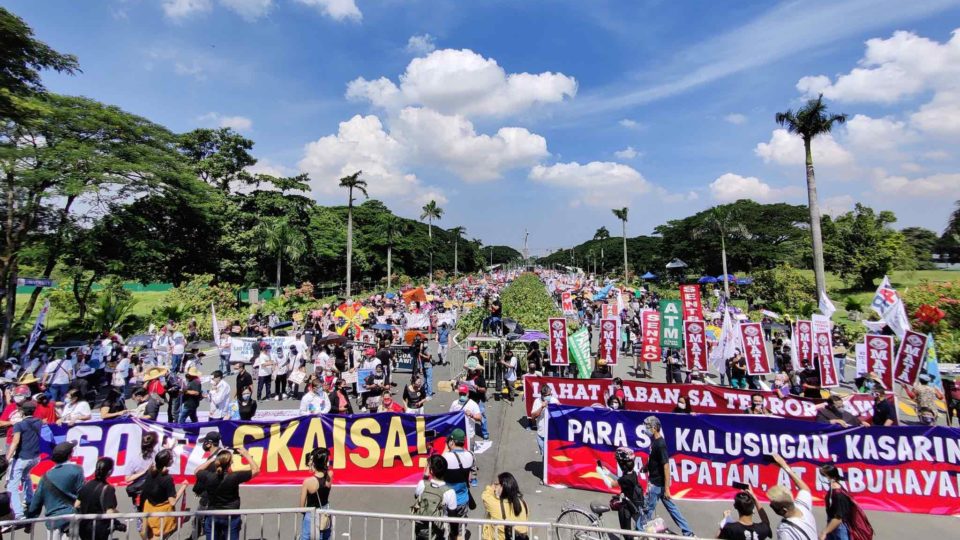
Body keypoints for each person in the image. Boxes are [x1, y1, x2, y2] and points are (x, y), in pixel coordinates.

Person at [642, 416, 694, 537]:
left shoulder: (660, 444)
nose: (645, 429)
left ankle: (639, 532)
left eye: (648, 427)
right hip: (657, 484)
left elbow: (666, 466)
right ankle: (688, 532)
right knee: (673, 509)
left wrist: (667, 488)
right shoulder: (654, 442)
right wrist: (646, 466)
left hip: (656, 485)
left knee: (647, 511)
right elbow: (654, 460)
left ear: (654, 428)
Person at [197, 446, 260, 540]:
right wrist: (246, 455)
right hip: (231, 516)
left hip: (212, 515)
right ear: (230, 463)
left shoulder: (208, 476)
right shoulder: (234, 477)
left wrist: (211, 460)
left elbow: (197, 471)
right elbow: (256, 470)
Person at [26, 441, 85, 539]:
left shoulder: (45, 477)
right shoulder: (77, 470)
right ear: (70, 454)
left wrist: (29, 522)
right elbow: (83, 494)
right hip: (71, 519)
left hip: (52, 522)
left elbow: (36, 502)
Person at [766, 453, 818, 540]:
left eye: (772, 505)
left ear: (783, 510)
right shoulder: (802, 507)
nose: (770, 505)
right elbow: (805, 489)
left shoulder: (785, 531)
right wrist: (784, 466)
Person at [141, 449, 188, 539]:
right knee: (158, 536)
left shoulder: (150, 473)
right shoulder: (167, 479)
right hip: (162, 513)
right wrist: (183, 487)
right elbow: (172, 502)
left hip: (149, 508)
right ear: (168, 462)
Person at [596, 447, 646, 532]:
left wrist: (601, 473)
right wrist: (608, 473)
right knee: (639, 527)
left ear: (622, 464)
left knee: (626, 532)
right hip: (633, 504)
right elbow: (620, 480)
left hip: (626, 508)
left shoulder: (626, 478)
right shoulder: (632, 474)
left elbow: (611, 484)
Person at [6, 400, 42, 519]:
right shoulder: (39, 422)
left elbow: (15, 442)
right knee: (26, 476)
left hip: (22, 458)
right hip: (35, 458)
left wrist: (7, 458)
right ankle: (30, 500)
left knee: (12, 486)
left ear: (22, 412)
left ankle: (18, 513)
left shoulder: (19, 425)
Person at [413, 454, 457, 540]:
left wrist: (425, 476)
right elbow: (453, 517)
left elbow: (416, 496)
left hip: (421, 530)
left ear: (431, 471)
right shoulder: (450, 492)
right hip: (439, 532)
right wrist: (455, 534)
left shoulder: (422, 484)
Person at [77, 457, 122, 540]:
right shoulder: (108, 489)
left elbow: (77, 504)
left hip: (84, 528)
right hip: (99, 529)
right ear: (110, 471)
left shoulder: (87, 484)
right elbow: (110, 512)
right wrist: (118, 513)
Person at [442, 429, 474, 540]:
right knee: (460, 531)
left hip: (448, 500)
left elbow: (438, 467)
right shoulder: (470, 456)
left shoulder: (446, 457)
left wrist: (447, 449)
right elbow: (469, 478)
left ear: (452, 442)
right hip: (463, 499)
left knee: (447, 528)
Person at [481, 472, 529, 540]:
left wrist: (491, 487)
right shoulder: (523, 503)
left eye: (497, 484)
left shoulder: (495, 505)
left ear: (503, 487)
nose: (495, 488)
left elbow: (485, 496)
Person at [299, 447, 334, 540]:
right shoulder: (330, 475)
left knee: (306, 537)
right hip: (325, 513)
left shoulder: (307, 482)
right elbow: (327, 469)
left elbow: (301, 508)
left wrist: (312, 464)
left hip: (311, 515)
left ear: (313, 462)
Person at [449, 385, 483, 451]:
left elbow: (479, 418)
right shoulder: (454, 403)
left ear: (467, 393)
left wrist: (471, 415)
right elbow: (450, 417)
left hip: (469, 435)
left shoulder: (473, 404)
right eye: (460, 394)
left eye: (463, 394)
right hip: (457, 435)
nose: (462, 395)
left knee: (469, 453)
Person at [529, 385, 558, 457]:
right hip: (541, 434)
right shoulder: (537, 401)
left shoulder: (554, 400)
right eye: (548, 395)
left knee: (551, 457)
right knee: (544, 456)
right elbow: (533, 416)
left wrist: (558, 406)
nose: (550, 396)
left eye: (551, 394)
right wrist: (542, 407)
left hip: (552, 435)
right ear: (543, 395)